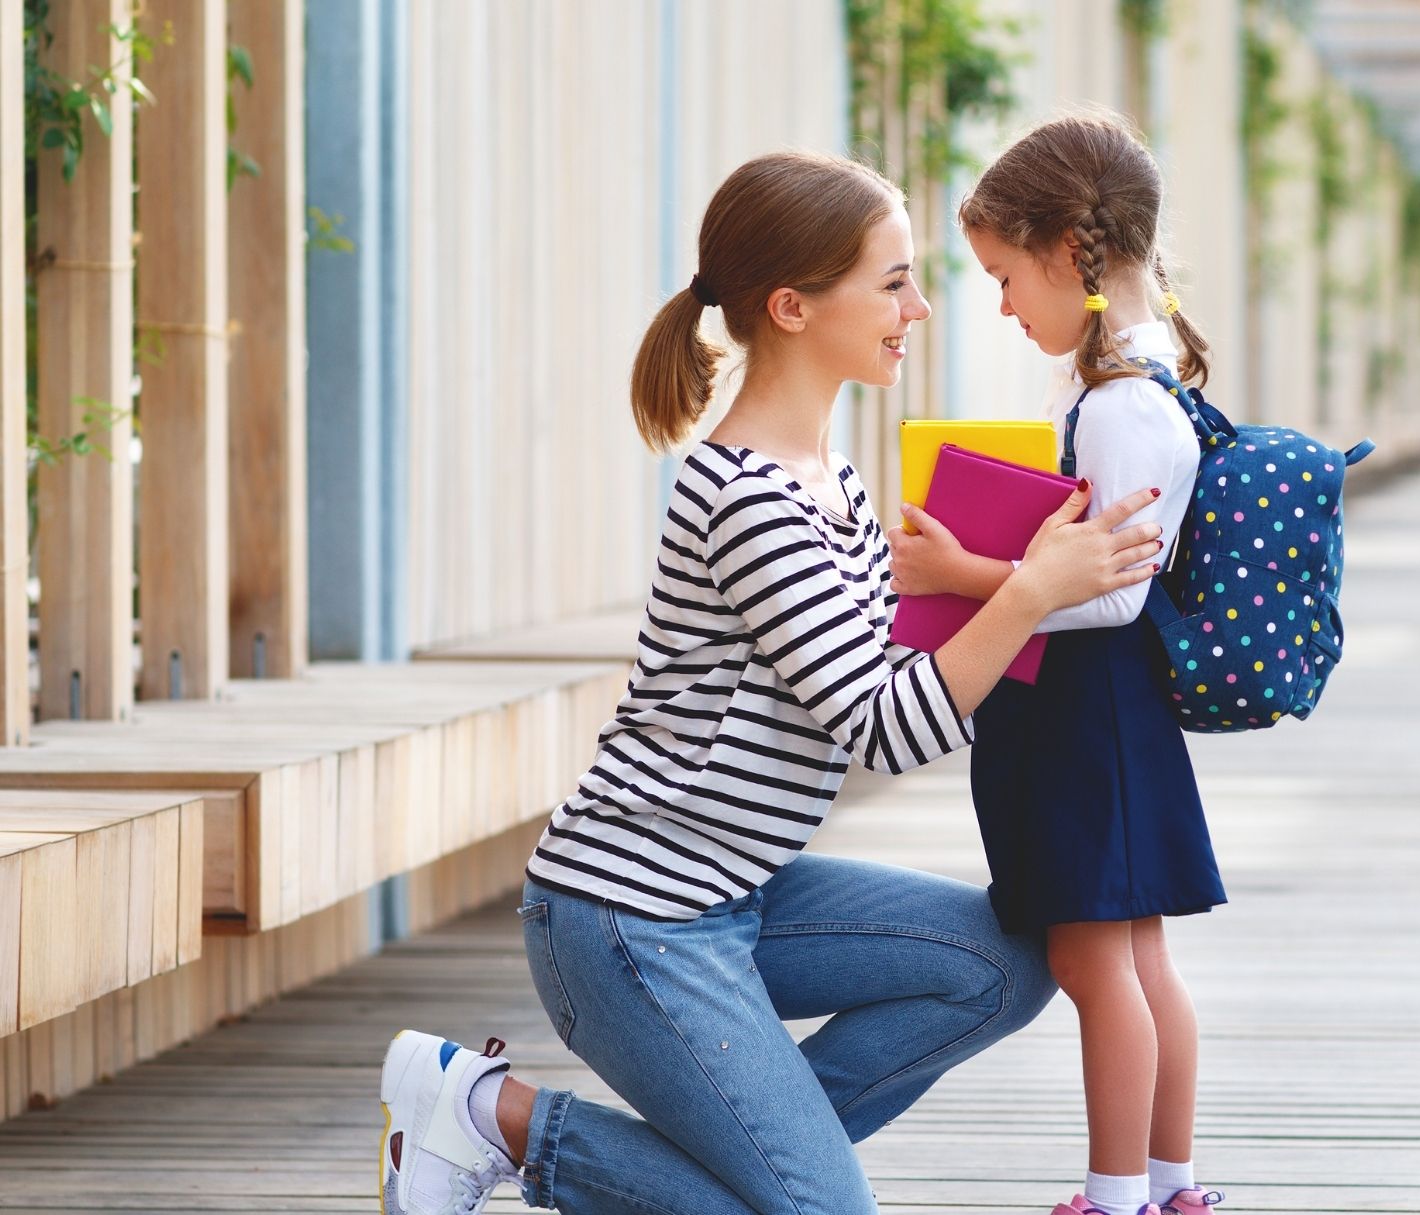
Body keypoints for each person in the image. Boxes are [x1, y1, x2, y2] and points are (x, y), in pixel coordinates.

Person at [376, 150, 1169, 1215]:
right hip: (628, 916)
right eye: (893, 282)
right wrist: (1026, 594)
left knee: (1006, 965)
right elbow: (886, 726)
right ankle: (485, 1114)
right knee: (819, 1211)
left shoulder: (829, 481)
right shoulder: (748, 499)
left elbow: (887, 674)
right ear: (792, 306)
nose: (920, 308)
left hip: (736, 889)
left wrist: (1025, 608)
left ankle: (758, 1163)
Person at [887, 112, 1226, 1215]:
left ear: (1067, 250)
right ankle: (1167, 1185)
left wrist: (962, 569)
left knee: (1097, 970)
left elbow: (1110, 592)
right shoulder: (1129, 381)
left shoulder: (1125, 403)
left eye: (1001, 275)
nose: (997, 303)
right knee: (1137, 963)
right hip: (1099, 719)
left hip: (1085, 719)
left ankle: (1118, 1192)